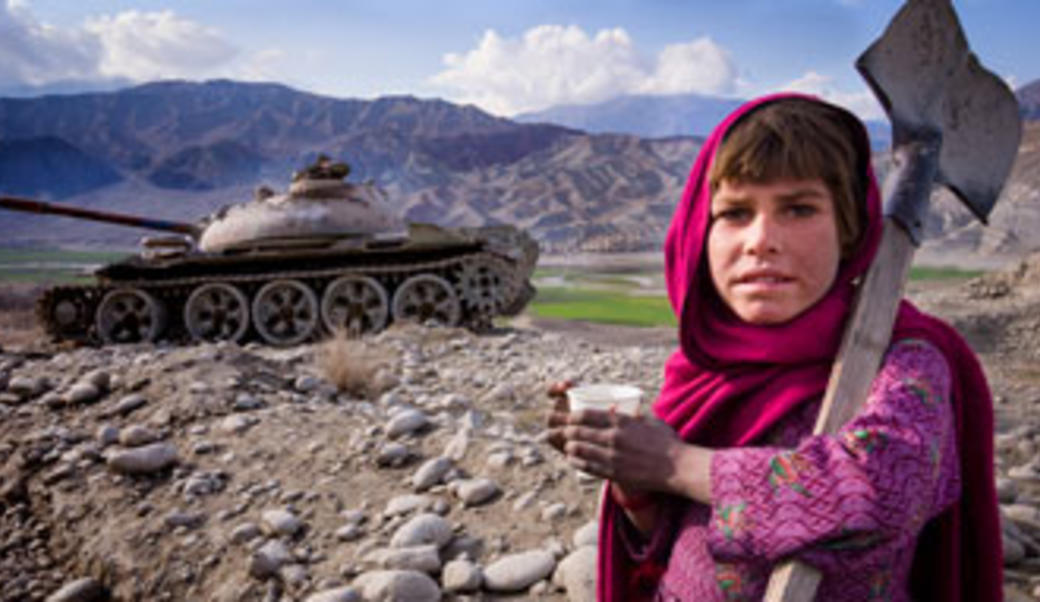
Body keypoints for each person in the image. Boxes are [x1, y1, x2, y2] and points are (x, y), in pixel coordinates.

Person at [546, 94, 1001, 601]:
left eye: (799, 208)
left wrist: (674, 463)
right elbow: (669, 539)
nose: (761, 240)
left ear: (848, 231)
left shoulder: (902, 358)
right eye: (735, 212)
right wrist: (631, 475)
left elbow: (882, 494)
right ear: (699, 231)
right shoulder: (703, 371)